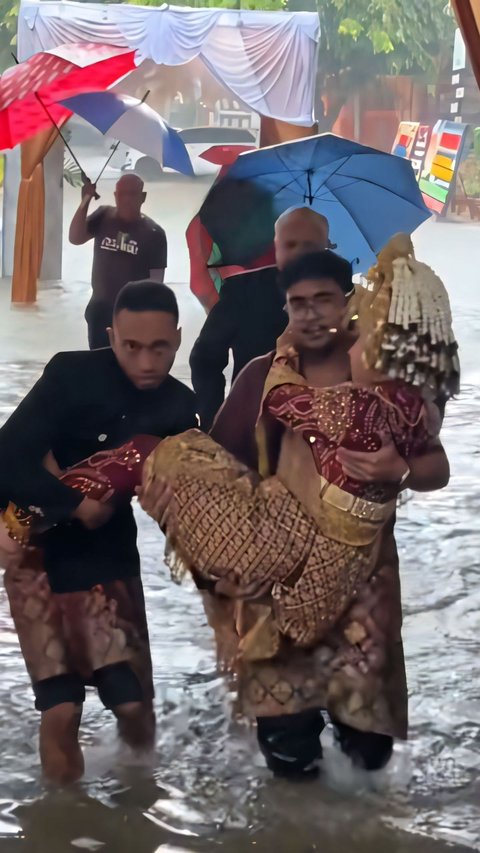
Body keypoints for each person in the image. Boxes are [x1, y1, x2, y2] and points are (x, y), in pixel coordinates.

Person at [139, 238, 456, 780]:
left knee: (369, 754)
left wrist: (396, 471)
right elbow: (219, 480)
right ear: (284, 306)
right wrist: (220, 610)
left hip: (367, 587)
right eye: (298, 302)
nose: (311, 313)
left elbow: (437, 468)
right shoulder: (263, 378)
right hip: (278, 588)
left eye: (323, 300)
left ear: (348, 301)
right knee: (289, 760)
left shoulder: (384, 378)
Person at [0, 281, 197, 785]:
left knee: (132, 703)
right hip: (32, 549)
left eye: (160, 348)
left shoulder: (181, 409)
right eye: (132, 347)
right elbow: (6, 455)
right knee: (61, 709)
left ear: (178, 338)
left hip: (107, 557)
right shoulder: (70, 375)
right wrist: (73, 503)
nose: (147, 362)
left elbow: (194, 505)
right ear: (111, 337)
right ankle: (65, 823)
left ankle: (139, 800)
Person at [189, 207, 330, 430]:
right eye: (290, 245)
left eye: (309, 246)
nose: (299, 254)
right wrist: (215, 419)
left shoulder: (345, 298)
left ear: (326, 248)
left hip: (322, 429)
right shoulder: (243, 290)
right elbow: (204, 359)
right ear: (276, 247)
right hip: (252, 427)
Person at [69, 174, 167, 350]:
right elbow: (75, 238)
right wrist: (85, 201)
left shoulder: (154, 233)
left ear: (142, 197)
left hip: (132, 313)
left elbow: (157, 283)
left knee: (127, 368)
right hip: (100, 309)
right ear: (115, 196)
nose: (126, 199)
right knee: (99, 364)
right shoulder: (103, 216)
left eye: (132, 194)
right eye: (122, 194)